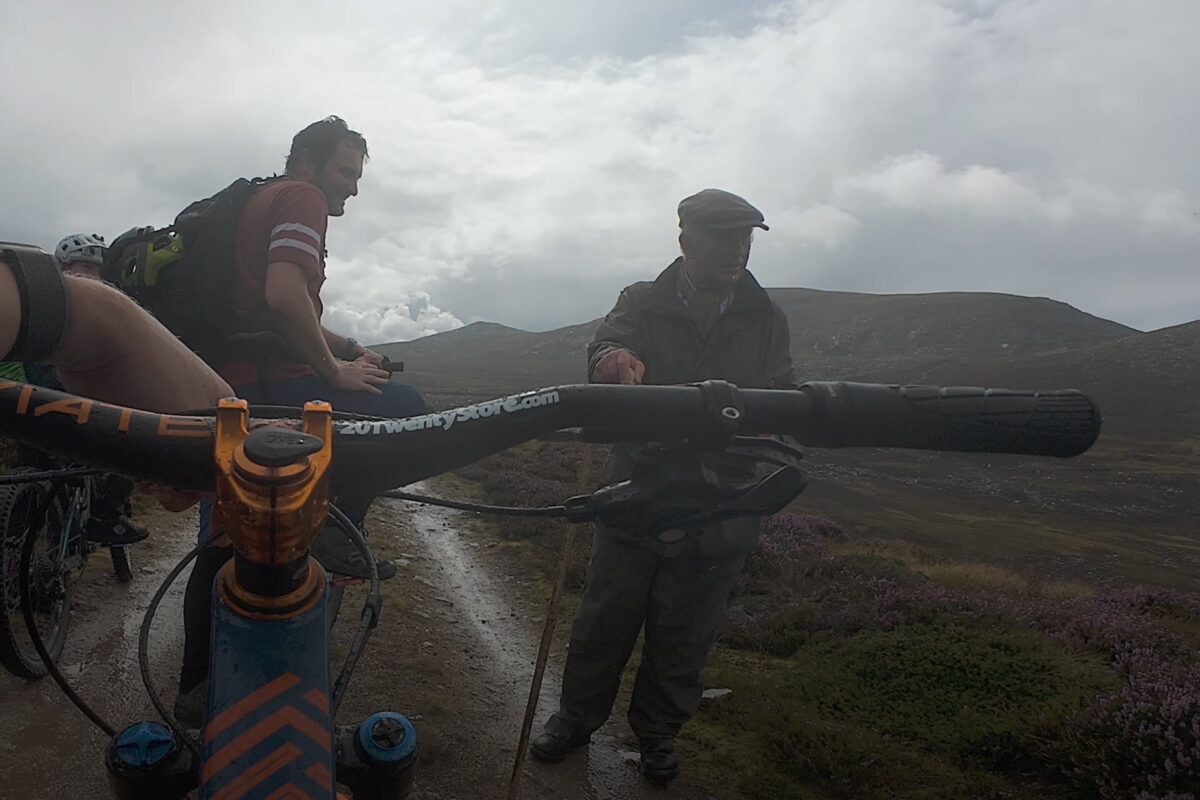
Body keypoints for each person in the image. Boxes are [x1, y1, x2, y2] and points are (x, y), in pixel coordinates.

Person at [530, 189, 797, 782]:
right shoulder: (641, 301)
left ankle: (657, 734)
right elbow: (605, 348)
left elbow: (784, 393)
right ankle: (576, 720)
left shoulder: (766, 317)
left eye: (746, 239)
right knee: (606, 619)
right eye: (724, 238)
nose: (737, 251)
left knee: (688, 631)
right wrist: (612, 361)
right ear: (685, 242)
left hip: (720, 504)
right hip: (637, 490)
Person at [174, 116, 429, 727]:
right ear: (309, 162)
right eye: (347, 172)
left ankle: (194, 685)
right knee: (406, 409)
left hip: (229, 388)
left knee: (220, 530)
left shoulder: (255, 198)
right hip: (277, 387)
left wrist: (345, 348)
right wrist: (336, 375)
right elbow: (285, 295)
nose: (353, 189)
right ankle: (338, 537)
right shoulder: (303, 197)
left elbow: (266, 305)